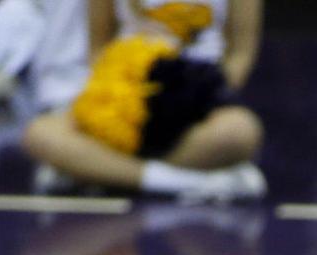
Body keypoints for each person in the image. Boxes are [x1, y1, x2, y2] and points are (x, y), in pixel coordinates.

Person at [23, 0, 265, 202]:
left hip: (198, 98)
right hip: (130, 100)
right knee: (41, 134)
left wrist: (211, 92)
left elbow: (240, 54)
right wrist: (118, 94)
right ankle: (184, 180)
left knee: (240, 131)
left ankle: (102, 171)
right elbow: (98, 47)